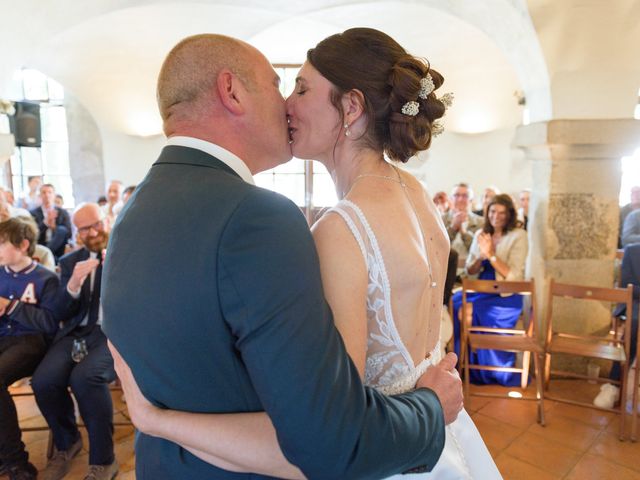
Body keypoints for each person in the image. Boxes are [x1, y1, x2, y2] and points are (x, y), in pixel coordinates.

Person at [107, 29, 498, 479]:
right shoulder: (417, 195)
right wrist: (430, 402)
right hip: (436, 442)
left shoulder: (339, 228)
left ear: (351, 108)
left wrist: (157, 421)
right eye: (284, 85)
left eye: (301, 87)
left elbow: (330, 431)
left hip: (390, 452)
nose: (288, 102)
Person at [31, 203, 118, 480]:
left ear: (106, 220)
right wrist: (72, 286)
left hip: (112, 334)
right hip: (76, 334)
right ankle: (68, 442)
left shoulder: (127, 254)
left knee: (86, 378)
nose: (93, 232)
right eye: (84, 229)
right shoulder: (70, 262)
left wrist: (115, 268)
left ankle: (104, 460)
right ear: (77, 232)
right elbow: (59, 312)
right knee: (43, 380)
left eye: (96, 224)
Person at [0, 217, 59, 480]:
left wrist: (10, 307)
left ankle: (16, 461)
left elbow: (49, 323)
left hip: (30, 342)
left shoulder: (45, 278)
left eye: (1, 244)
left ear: (23, 245)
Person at [452, 194, 528, 385]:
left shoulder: (519, 236)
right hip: (480, 286)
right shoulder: (480, 234)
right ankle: (462, 365)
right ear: (488, 213)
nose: (497, 216)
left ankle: (490, 370)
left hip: (504, 293)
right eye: (493, 211)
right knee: (453, 303)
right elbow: (470, 271)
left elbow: (515, 277)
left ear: (509, 215)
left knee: (479, 311)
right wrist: (480, 258)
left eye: (502, 213)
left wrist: (491, 255)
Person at [593, 242, 640, 410]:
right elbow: (628, 288)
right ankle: (614, 385)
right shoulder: (633, 251)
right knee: (633, 327)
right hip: (636, 305)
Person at [443, 183, 484, 272]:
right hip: (444, 272)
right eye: (456, 195)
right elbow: (437, 247)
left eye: (465, 196)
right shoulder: (440, 219)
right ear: (450, 199)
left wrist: (464, 233)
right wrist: (453, 228)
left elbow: (480, 251)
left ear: (471, 200)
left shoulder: (481, 222)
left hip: (471, 273)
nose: (460, 199)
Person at [29, 184, 72, 261]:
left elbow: (69, 233)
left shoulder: (63, 212)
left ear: (54, 195)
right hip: (41, 244)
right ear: (40, 196)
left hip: (58, 247)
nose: (47, 195)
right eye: (44, 192)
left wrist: (54, 227)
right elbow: (32, 234)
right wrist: (45, 223)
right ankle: (49, 255)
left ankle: (47, 254)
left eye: (49, 192)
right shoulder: (33, 213)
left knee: (61, 229)